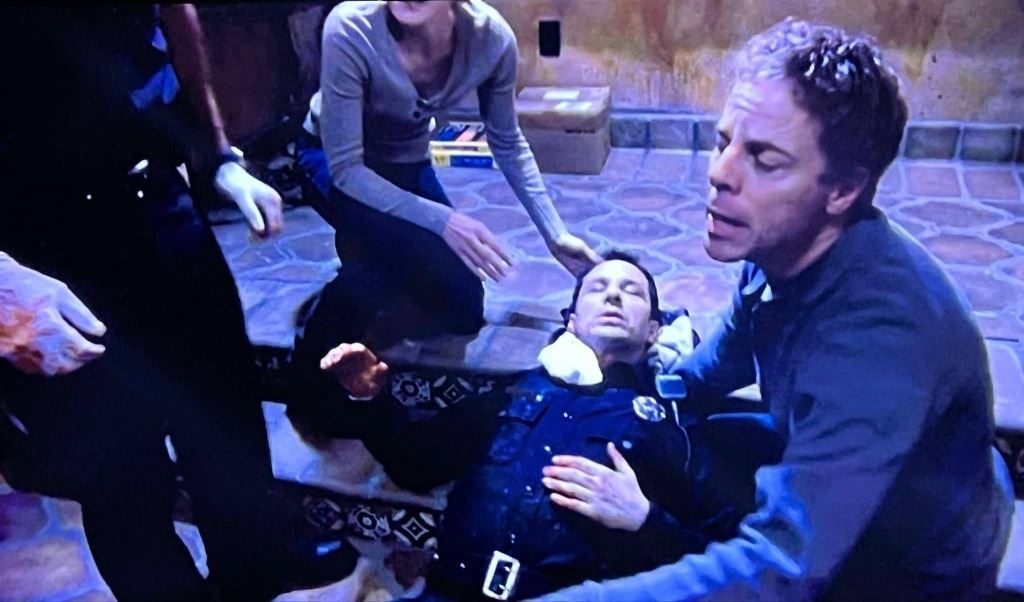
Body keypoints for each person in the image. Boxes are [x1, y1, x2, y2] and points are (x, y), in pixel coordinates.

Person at [542, 18, 1015, 601]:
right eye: (724, 143)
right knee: (689, 439)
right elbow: (715, 366)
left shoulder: (878, 341)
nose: (719, 173)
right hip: (852, 477)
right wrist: (629, 391)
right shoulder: (778, 250)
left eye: (763, 159)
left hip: (915, 564)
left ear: (842, 189)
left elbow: (780, 570)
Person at [0, 5, 340, 600]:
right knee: (121, 472)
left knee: (223, 411)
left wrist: (215, 155)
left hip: (152, 189)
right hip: (36, 243)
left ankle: (255, 563)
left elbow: (175, 15)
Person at [310, 253, 779, 600]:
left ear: (654, 331)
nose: (614, 295)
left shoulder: (673, 428)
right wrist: (372, 398)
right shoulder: (514, 391)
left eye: (633, 292)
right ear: (572, 321)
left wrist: (645, 521)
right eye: (597, 288)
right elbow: (417, 466)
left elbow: (733, 563)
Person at [288, 0, 600, 425]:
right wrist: (443, 222)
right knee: (377, 269)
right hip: (330, 159)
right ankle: (310, 388)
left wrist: (555, 234)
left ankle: (382, 269)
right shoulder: (351, 26)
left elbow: (507, 141)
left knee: (464, 305)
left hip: (405, 164)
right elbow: (347, 171)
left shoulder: (491, 39)